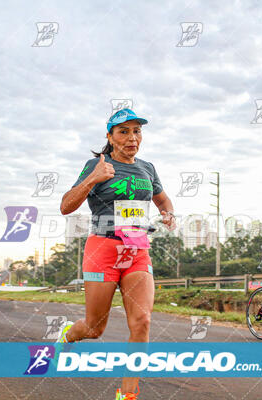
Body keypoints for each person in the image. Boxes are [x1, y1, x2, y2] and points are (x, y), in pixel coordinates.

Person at [58, 108, 176, 400]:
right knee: (95, 328)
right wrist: (93, 179)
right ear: (110, 137)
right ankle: (69, 333)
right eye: (123, 131)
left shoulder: (148, 168)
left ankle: (127, 394)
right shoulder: (96, 164)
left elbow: (163, 199)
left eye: (137, 131)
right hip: (103, 248)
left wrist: (169, 213)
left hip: (137, 250)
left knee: (142, 321)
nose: (132, 137)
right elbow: (65, 206)